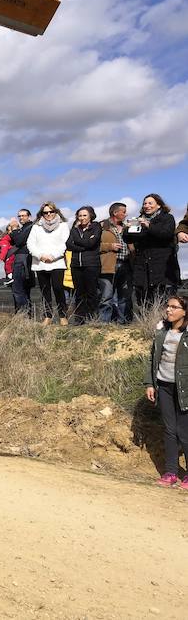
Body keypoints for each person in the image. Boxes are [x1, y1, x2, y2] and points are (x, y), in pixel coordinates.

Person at [145, 295, 188, 490]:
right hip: (164, 386)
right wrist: (150, 383)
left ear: (185, 311)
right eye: (168, 306)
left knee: (184, 432)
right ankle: (171, 473)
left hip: (184, 388)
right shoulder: (162, 331)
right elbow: (153, 358)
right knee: (170, 430)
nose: (169, 310)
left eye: (174, 307)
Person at [123, 193, 180, 308]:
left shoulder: (167, 218)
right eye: (145, 203)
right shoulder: (139, 220)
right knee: (144, 298)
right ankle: (146, 322)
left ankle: (162, 323)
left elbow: (166, 234)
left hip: (162, 265)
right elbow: (128, 239)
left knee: (162, 297)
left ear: (159, 205)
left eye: (150, 203)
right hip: (143, 265)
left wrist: (149, 226)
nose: (146, 206)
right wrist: (128, 229)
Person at [27, 202, 70, 326]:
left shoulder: (63, 226)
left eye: (51, 211)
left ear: (56, 212)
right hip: (40, 263)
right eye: (46, 212)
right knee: (45, 290)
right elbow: (30, 244)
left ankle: (63, 315)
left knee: (58, 289)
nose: (49, 214)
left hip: (57, 263)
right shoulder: (36, 227)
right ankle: (47, 316)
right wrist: (41, 256)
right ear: (42, 214)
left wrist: (53, 256)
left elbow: (65, 243)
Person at [66, 206, 102, 325]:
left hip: (91, 264)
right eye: (80, 215)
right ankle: (79, 319)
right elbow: (68, 245)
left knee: (91, 292)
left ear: (90, 215)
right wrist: (84, 246)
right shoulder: (74, 229)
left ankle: (92, 319)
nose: (82, 218)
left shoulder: (96, 227)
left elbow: (92, 243)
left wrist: (77, 242)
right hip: (76, 265)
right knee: (79, 293)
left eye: (84, 215)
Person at [99, 202, 133, 323]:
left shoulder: (127, 227)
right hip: (108, 265)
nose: (125, 214)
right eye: (123, 212)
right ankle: (104, 322)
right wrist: (110, 246)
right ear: (115, 213)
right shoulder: (102, 226)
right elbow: (93, 246)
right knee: (106, 296)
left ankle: (123, 322)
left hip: (126, 265)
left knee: (124, 296)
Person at [9, 209, 34, 314]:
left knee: (18, 288)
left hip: (23, 260)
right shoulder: (23, 228)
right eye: (19, 216)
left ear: (29, 216)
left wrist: (14, 229)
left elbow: (19, 241)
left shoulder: (30, 227)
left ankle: (23, 314)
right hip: (22, 260)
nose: (21, 218)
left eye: (24, 215)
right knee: (24, 290)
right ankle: (27, 315)